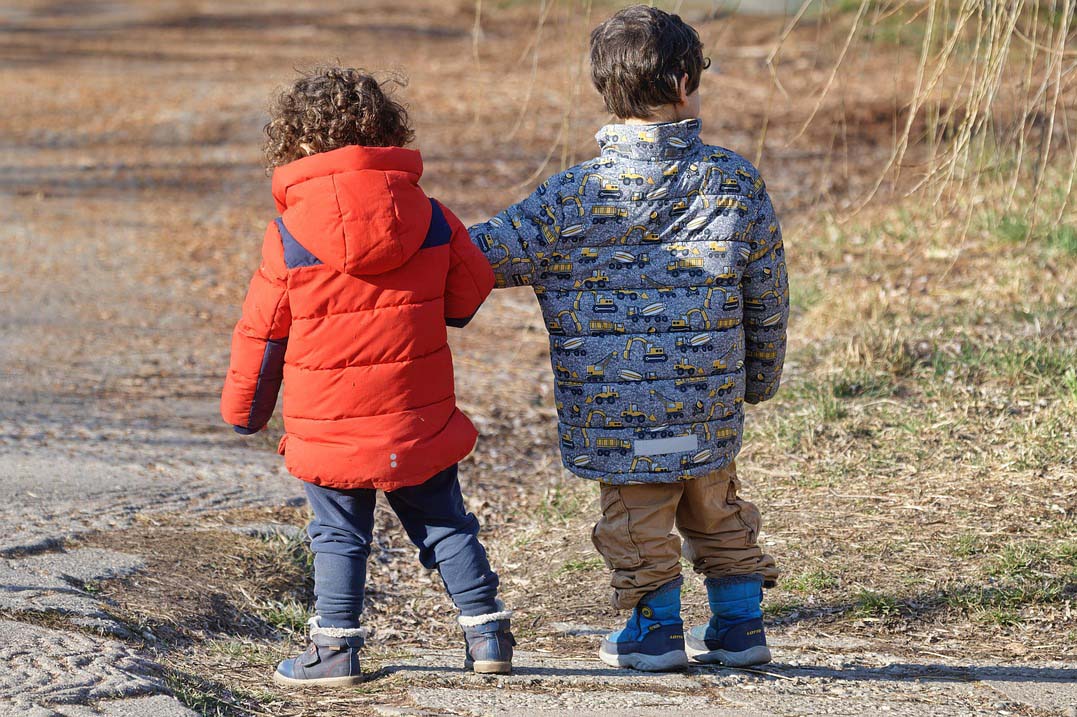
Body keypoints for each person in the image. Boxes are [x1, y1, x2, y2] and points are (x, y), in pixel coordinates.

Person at [468, 5, 788, 672]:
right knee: (717, 504)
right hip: (707, 404)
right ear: (683, 83)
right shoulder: (735, 182)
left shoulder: (571, 197)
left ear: (605, 89)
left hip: (619, 414)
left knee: (637, 518)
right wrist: (758, 380)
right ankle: (739, 625)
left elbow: (481, 258)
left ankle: (655, 631)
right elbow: (766, 295)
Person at [221, 66, 514, 686]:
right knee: (445, 523)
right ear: (386, 133)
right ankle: (487, 635)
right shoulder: (431, 217)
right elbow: (470, 291)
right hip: (415, 413)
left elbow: (262, 332)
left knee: (337, 533)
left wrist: (245, 412)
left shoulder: (289, 235)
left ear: (298, 143)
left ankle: (335, 652)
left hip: (328, 422)